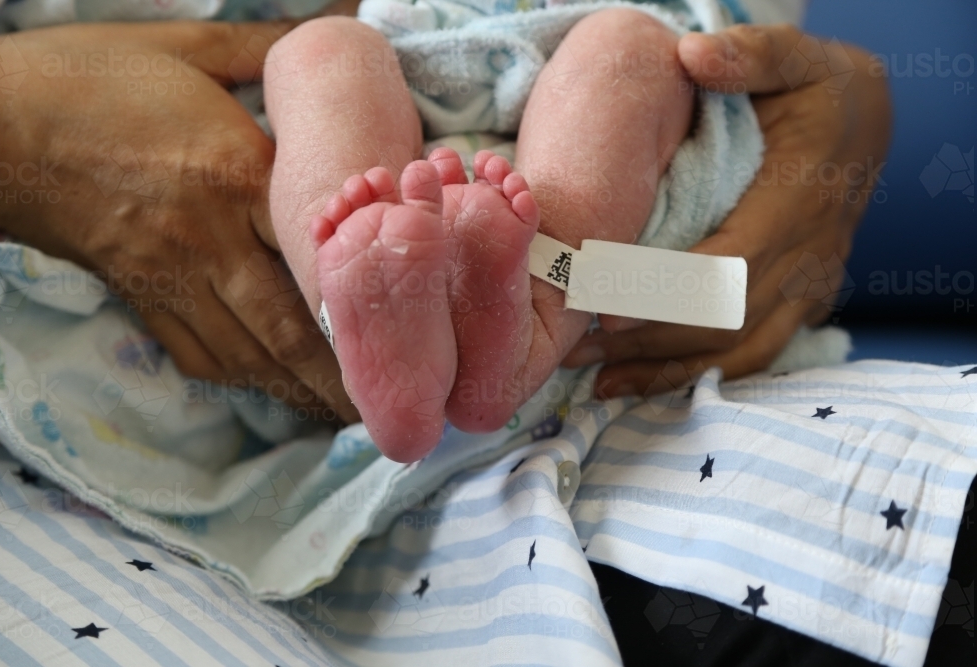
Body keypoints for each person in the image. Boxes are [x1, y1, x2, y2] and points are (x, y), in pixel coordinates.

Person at [0, 4, 891, 441]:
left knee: (626, 54)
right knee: (320, 55)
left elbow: (737, 43)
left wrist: (857, 95)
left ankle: (521, 325)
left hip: (585, 116)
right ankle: (364, 296)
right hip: (410, 75)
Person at [265, 7, 693, 461]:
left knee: (628, 43)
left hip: (574, 74)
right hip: (394, 65)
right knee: (317, 47)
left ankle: (514, 341)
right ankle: (369, 288)